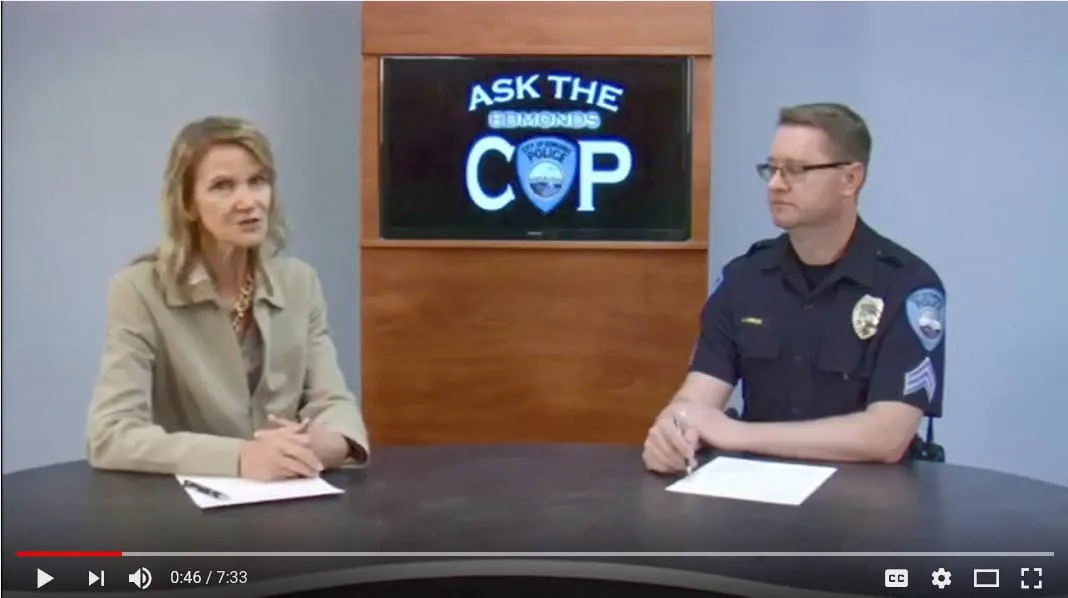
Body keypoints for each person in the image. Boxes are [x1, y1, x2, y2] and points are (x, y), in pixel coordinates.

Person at [643, 103, 946, 473]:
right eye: (771, 169)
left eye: (796, 170)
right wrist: (671, 433)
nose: (776, 184)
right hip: (755, 491)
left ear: (850, 179)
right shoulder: (745, 278)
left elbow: (887, 436)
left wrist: (737, 434)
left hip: (863, 497)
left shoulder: (906, 284)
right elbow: (697, 398)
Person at [86, 116, 369, 481]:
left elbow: (334, 404)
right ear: (187, 204)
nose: (248, 202)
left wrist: (322, 444)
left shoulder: (300, 282)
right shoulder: (139, 290)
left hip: (289, 495)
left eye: (258, 181)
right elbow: (111, 434)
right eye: (223, 186)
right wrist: (240, 457)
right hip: (184, 504)